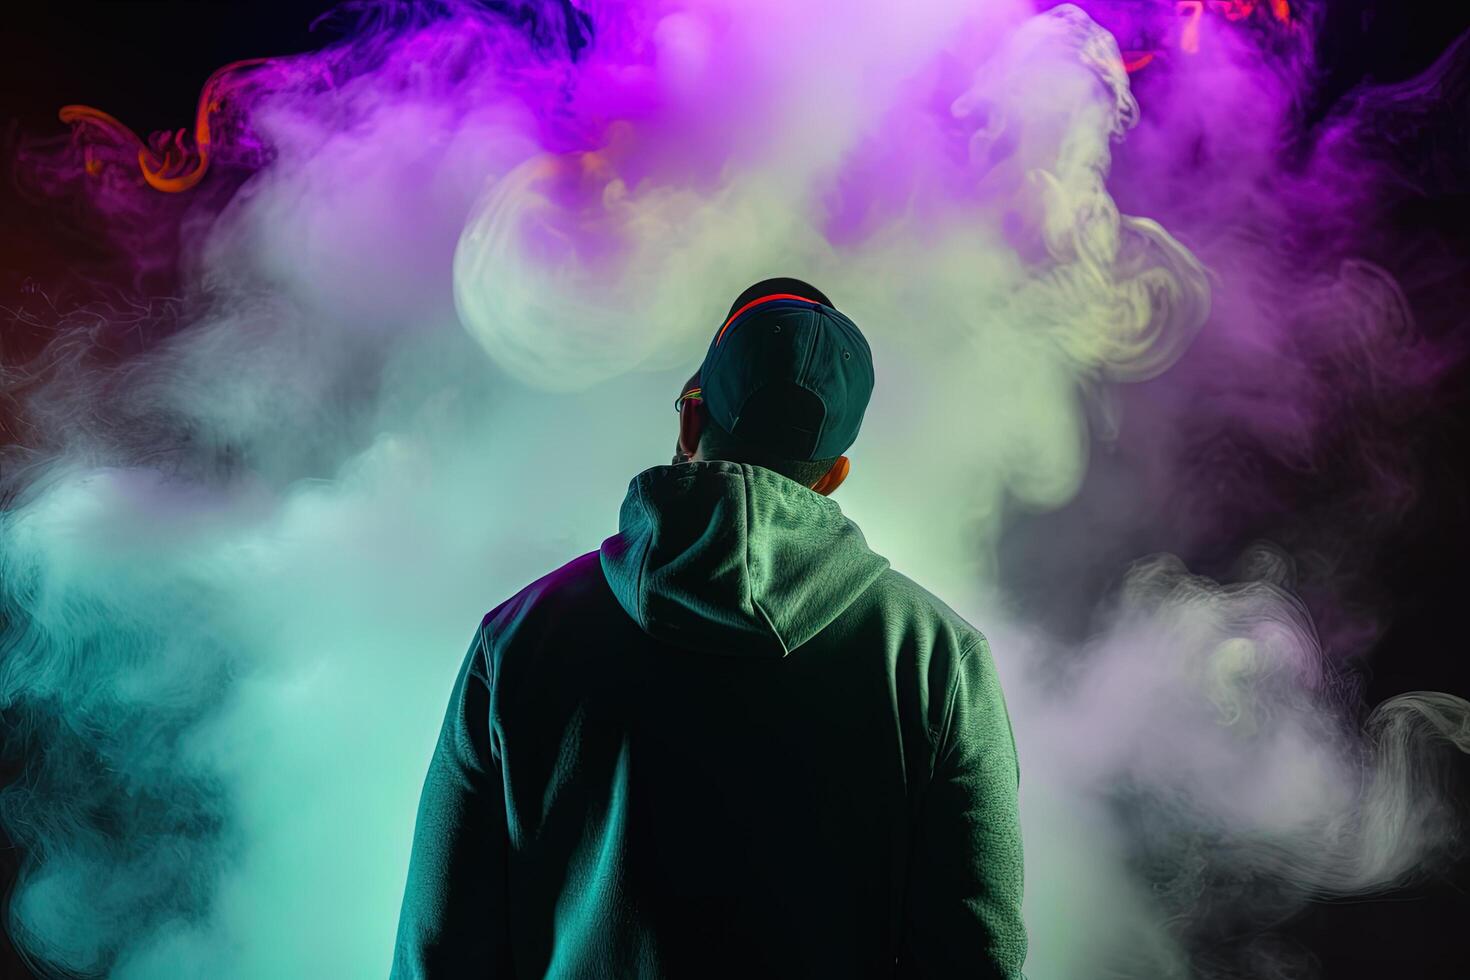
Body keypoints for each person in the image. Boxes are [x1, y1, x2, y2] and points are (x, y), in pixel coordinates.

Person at [390, 277, 1028, 978]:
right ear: (835, 474)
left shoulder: (517, 640)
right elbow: (976, 963)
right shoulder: (938, 662)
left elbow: (441, 954)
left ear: (691, 421)